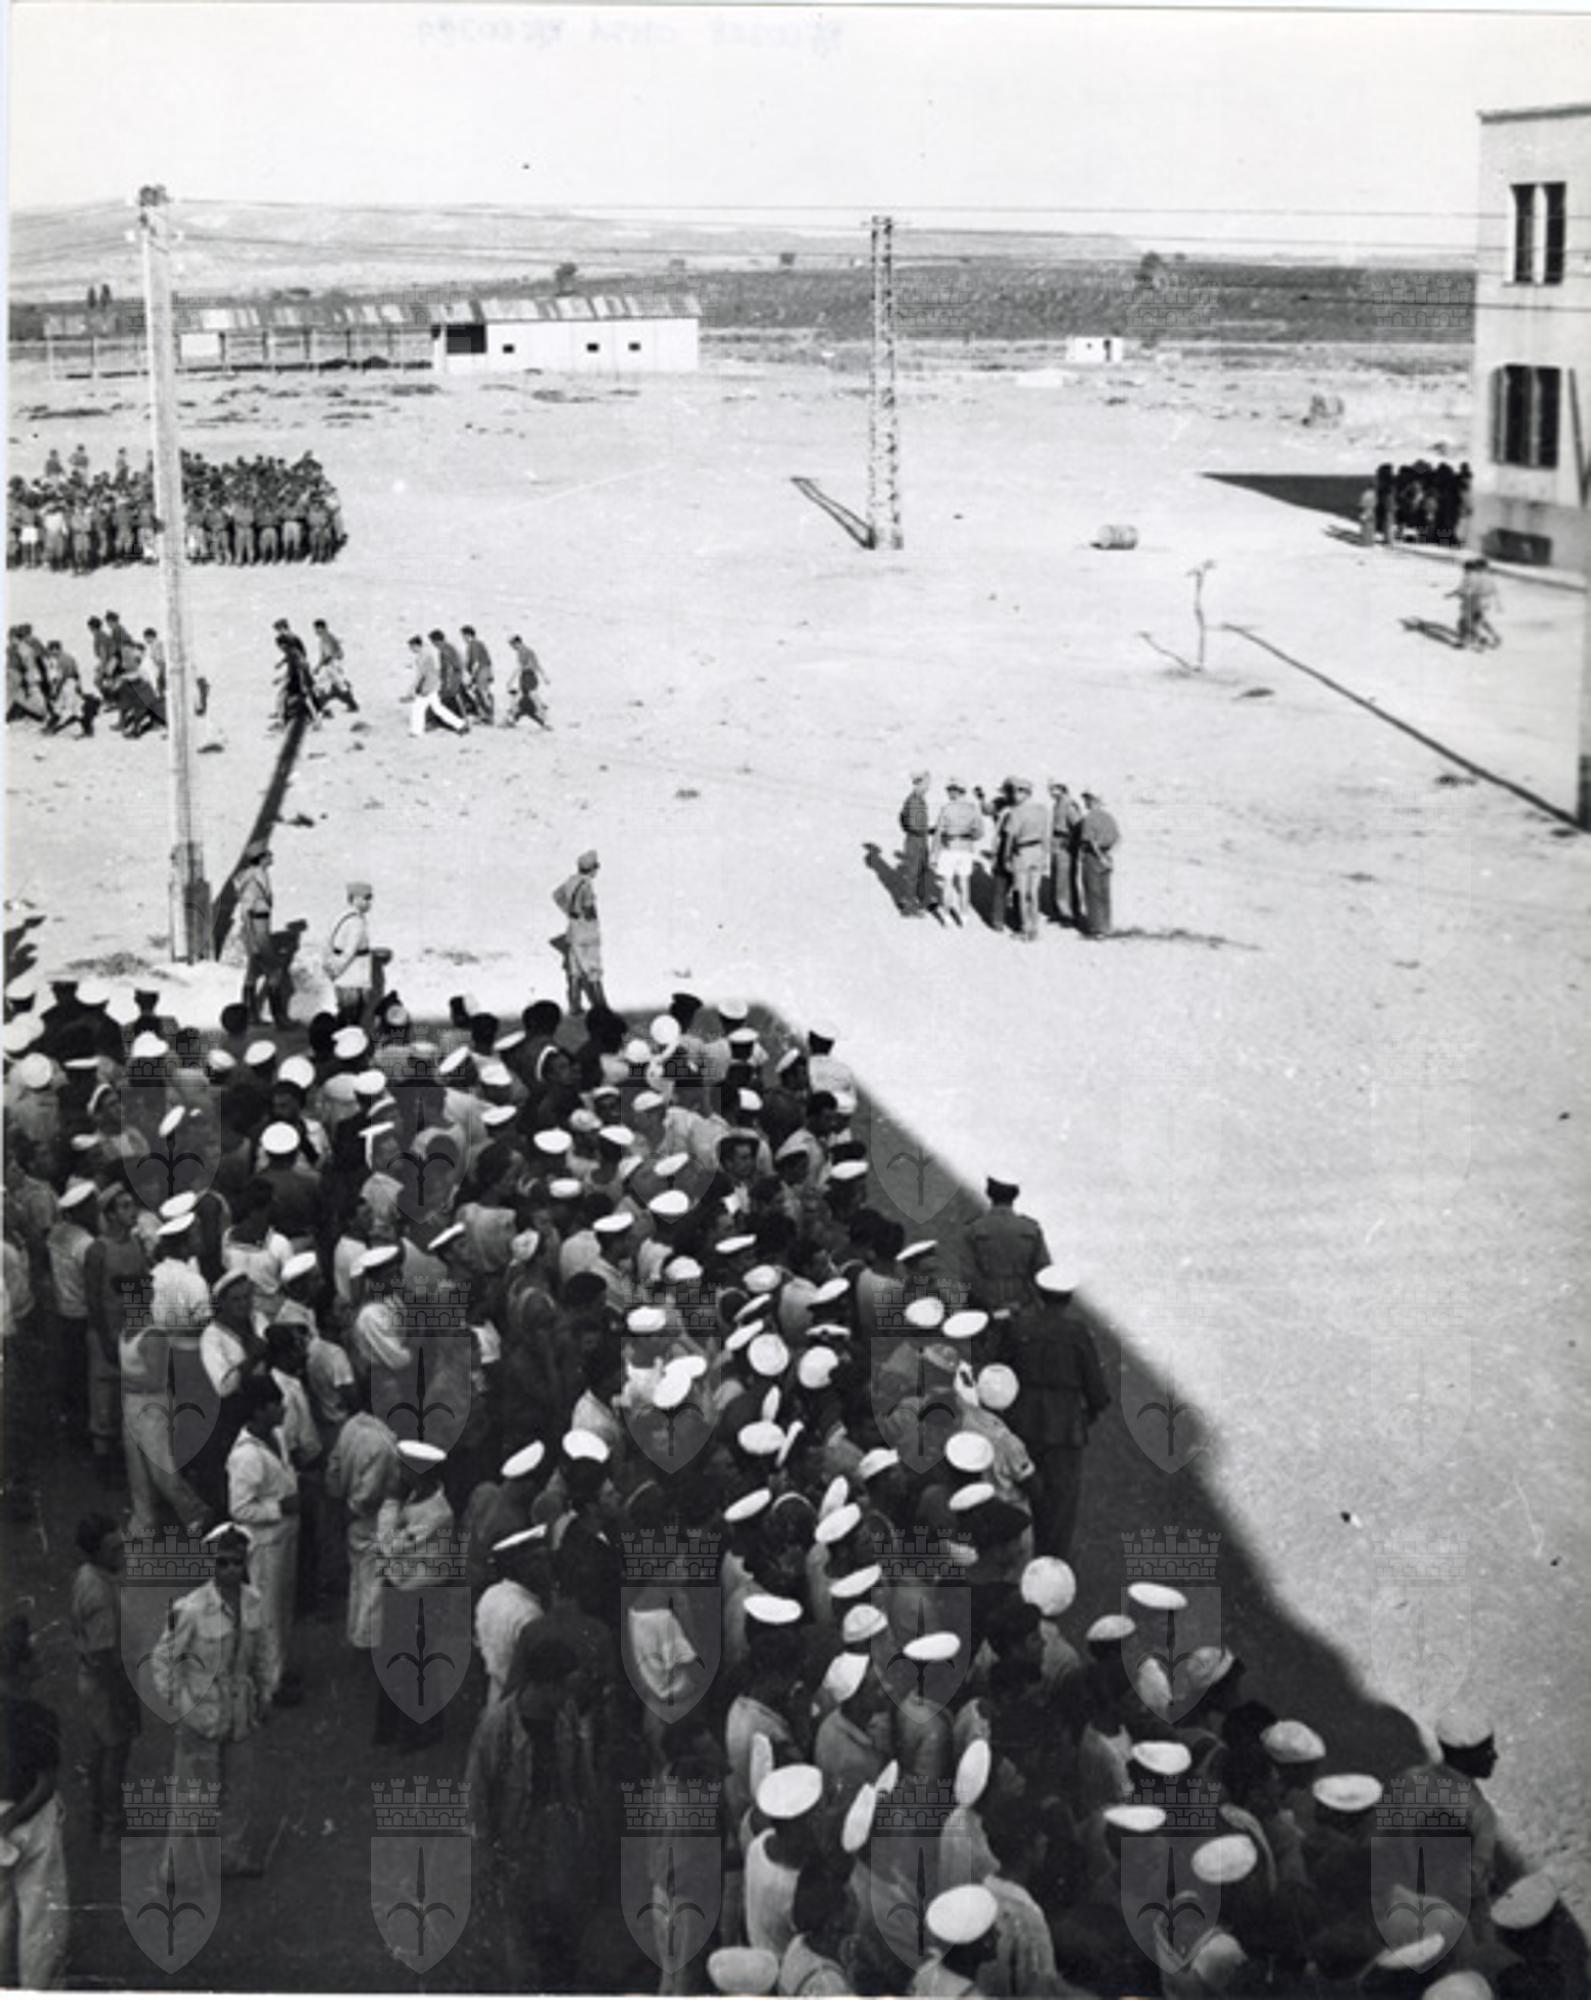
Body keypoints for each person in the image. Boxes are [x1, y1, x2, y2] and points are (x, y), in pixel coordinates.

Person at [151, 1523, 273, 1876]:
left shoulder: (254, 1602)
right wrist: (182, 1706)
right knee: (193, 1795)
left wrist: (265, 1693)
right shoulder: (190, 1609)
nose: (231, 1570)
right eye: (222, 1562)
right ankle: (175, 1867)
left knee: (239, 1789)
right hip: (201, 1712)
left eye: (237, 1561)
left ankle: (230, 1856)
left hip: (240, 1710)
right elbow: (163, 1660)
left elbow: (262, 1653)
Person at [1006, 1264, 1110, 1558]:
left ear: (1039, 1294)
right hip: (1064, 1429)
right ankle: (1052, 1564)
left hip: (1022, 1422)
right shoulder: (1077, 1333)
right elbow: (1096, 1390)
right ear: (1069, 1298)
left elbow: (1002, 1372)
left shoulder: (1019, 1327)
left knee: (1022, 1493)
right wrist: (1088, 1414)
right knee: (1060, 1506)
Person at [0, 1613, 68, 1989]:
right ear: (22, 1667)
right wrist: (13, 1819)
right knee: (41, 1919)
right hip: (30, 1818)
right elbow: (45, 1784)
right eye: (35, 1655)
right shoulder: (41, 1717)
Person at [70, 1514, 140, 1849]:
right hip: (106, 1682)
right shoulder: (99, 1594)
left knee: (101, 1747)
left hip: (91, 1676)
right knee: (116, 1751)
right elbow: (107, 1657)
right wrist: (126, 1698)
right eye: (113, 1549)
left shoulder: (87, 1575)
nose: (121, 1553)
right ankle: (111, 1824)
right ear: (96, 1551)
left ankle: (98, 1813)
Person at [962, 1177, 1052, 1314]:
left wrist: (988, 1302)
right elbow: (1044, 1272)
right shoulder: (1030, 1229)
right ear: (1015, 1194)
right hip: (1024, 1305)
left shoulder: (974, 1229)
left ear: (988, 1192)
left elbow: (966, 1275)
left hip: (986, 1307)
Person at [553, 851, 607, 1015]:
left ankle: (574, 1005)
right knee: (594, 969)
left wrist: (569, 911)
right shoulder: (587, 885)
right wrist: (588, 915)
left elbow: (557, 895)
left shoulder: (571, 881)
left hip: (573, 931)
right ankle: (601, 1006)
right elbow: (589, 908)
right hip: (587, 933)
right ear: (592, 869)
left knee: (574, 970)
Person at [232, 841, 275, 1023]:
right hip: (256, 930)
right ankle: (279, 1016)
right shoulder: (253, 880)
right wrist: (253, 942)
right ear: (261, 858)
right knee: (274, 972)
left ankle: (250, 1014)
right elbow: (246, 913)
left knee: (252, 972)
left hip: (261, 927)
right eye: (268, 854)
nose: (272, 857)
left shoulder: (260, 875)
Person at [1002, 779, 1051, 943]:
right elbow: (1045, 834)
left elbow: (1010, 838)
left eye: (1020, 791)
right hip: (1037, 850)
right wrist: (1045, 855)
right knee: (1034, 893)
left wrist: (1006, 857)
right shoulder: (1041, 810)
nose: (1016, 794)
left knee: (1022, 893)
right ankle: (1034, 928)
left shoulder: (1016, 812)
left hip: (1022, 852)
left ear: (1026, 793)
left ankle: (1025, 928)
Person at [933, 779, 982, 928]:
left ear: (955, 792)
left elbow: (938, 833)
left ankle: (947, 916)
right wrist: (969, 838)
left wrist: (934, 853)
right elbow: (979, 832)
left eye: (949, 790)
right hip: (965, 849)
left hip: (949, 848)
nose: (948, 793)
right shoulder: (972, 809)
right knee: (964, 883)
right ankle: (964, 915)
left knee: (947, 883)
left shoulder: (946, 809)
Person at [325, 883, 376, 1025]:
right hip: (353, 975)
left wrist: (331, 967)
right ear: (355, 898)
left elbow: (329, 942)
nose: (369, 902)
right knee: (352, 1018)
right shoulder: (356, 922)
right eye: (366, 898)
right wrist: (336, 970)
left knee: (345, 1014)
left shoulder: (342, 916)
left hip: (343, 976)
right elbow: (349, 951)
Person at [1076, 792, 1120, 940]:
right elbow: (1118, 838)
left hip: (1093, 857)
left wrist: (1099, 856)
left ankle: (1096, 928)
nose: (1085, 802)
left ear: (1093, 801)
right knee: (1105, 893)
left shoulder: (1089, 818)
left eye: (1087, 799)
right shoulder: (1109, 817)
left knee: (1092, 893)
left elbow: (1091, 842)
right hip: (1107, 856)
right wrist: (1107, 857)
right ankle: (1106, 926)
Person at [406, 635, 467, 737]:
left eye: (411, 647)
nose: (411, 649)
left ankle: (416, 731)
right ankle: (460, 725)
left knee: (418, 708)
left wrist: (418, 688)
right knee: (437, 709)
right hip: (433, 685)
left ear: (416, 645)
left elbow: (424, 674)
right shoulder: (427, 653)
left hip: (428, 687)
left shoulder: (424, 656)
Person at [897, 770, 936, 918]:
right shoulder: (914, 801)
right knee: (913, 873)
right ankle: (909, 906)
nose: (928, 787)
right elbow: (913, 825)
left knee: (922, 871)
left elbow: (902, 817)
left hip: (919, 838)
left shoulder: (918, 799)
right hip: (915, 840)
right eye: (927, 783)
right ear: (919, 783)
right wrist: (928, 830)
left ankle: (922, 899)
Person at [1047, 781, 1084, 926]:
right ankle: (1059, 911)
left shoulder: (1069, 805)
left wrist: (1070, 841)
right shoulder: (1058, 804)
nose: (1050, 792)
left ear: (1061, 789)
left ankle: (1069, 914)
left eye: (1053, 789)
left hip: (1065, 846)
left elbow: (1079, 827)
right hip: (1057, 844)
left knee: (1065, 881)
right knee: (1057, 879)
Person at [1451, 559, 1501, 650]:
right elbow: (1493, 590)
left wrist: (1461, 594)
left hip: (1474, 601)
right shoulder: (1487, 576)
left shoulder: (1475, 577)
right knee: (1480, 621)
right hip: (1483, 601)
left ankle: (1474, 640)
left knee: (1468, 622)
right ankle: (1494, 637)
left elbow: (1469, 590)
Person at [310, 620, 358, 713]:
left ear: (323, 628)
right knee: (333, 685)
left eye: (317, 629)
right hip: (331, 666)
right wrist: (318, 666)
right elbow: (325, 655)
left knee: (330, 685)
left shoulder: (327, 638)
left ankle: (351, 705)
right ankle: (351, 704)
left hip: (332, 665)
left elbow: (329, 655)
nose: (315, 631)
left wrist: (318, 667)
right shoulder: (325, 639)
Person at [506, 635, 551, 728]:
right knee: (523, 698)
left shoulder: (525, 651)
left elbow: (532, 665)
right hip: (526, 676)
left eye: (512, 645)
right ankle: (512, 718)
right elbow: (534, 665)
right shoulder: (523, 651)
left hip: (529, 677)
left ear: (517, 643)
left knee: (532, 697)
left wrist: (510, 681)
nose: (512, 647)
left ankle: (545, 719)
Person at [461, 626, 494, 723]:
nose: (463, 638)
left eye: (463, 636)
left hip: (482, 671)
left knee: (482, 693)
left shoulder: (474, 644)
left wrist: (472, 676)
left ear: (468, 635)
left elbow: (476, 662)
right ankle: (483, 715)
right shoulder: (475, 644)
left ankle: (488, 716)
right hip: (483, 671)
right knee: (479, 693)